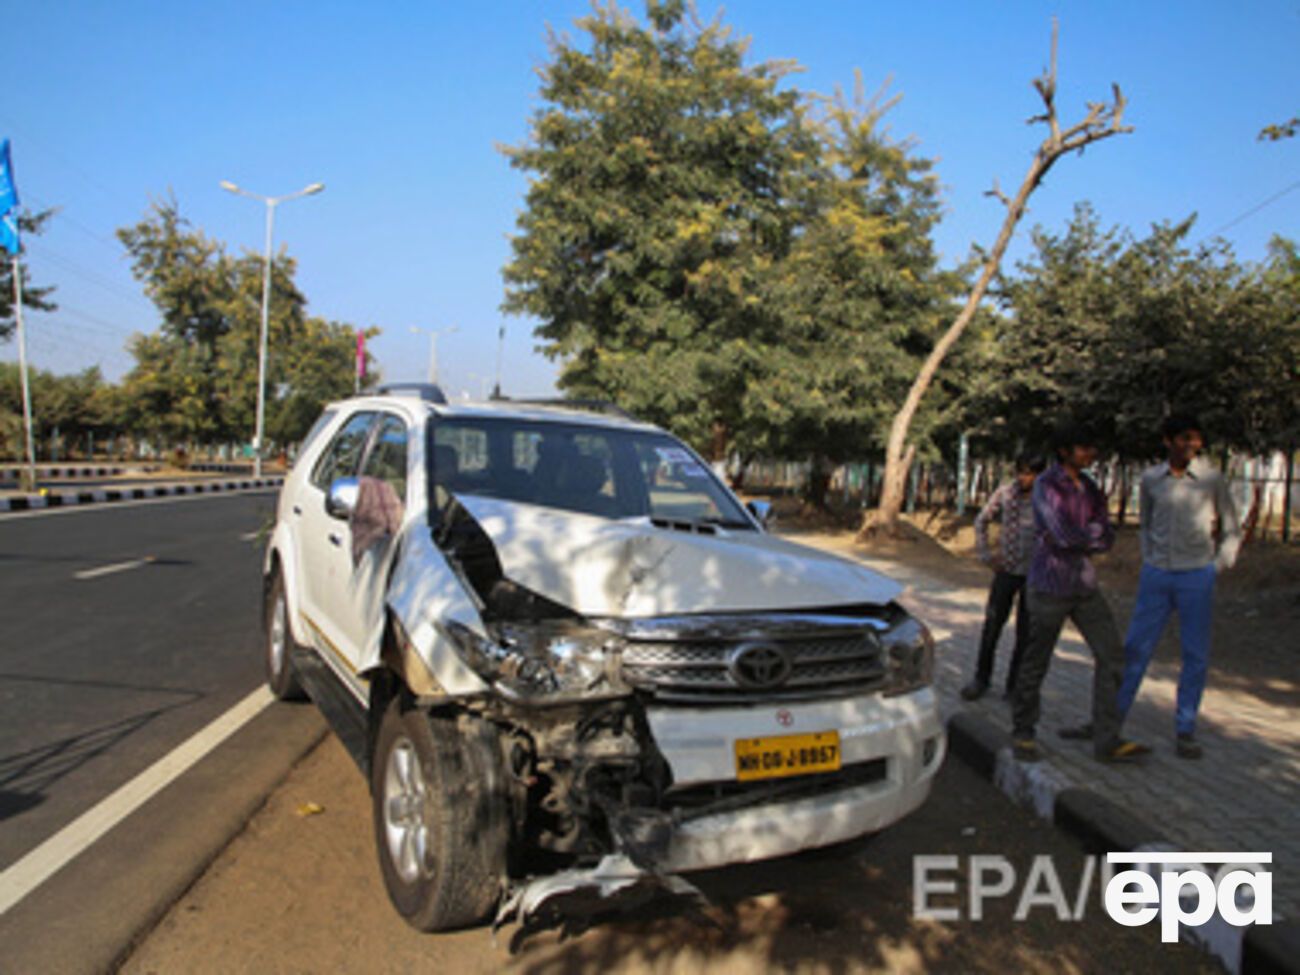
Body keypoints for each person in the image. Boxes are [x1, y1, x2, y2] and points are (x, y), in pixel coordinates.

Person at [1009, 422, 1149, 763]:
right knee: (1036, 661)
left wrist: (1086, 536)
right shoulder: (1046, 485)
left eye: (1091, 448)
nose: (1091, 454)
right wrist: (1089, 536)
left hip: (1084, 585)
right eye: (1084, 448)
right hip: (1048, 586)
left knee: (1112, 656)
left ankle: (1106, 738)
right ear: (1065, 451)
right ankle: (1024, 731)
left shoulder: (1090, 487)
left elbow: (1107, 535)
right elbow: (1060, 534)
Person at [1115, 413, 1241, 759]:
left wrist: (1217, 566)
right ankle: (1112, 720)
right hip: (1157, 575)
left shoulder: (1211, 479)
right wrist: (1148, 557)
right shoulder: (1151, 479)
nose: (1192, 445)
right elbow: (1145, 523)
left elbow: (1231, 528)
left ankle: (1185, 728)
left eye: (1196, 439)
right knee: (1136, 649)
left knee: (1195, 655)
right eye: (1184, 438)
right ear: (1168, 441)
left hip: (1196, 576)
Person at [961, 454, 1045, 702]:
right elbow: (981, 520)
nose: (1023, 478)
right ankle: (981, 679)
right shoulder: (1005, 493)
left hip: (1033, 576)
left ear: (1039, 475)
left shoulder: (1048, 498)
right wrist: (986, 555)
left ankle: (1014, 687)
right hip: (1006, 571)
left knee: (1025, 633)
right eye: (1020, 472)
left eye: (1029, 473)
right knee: (992, 627)